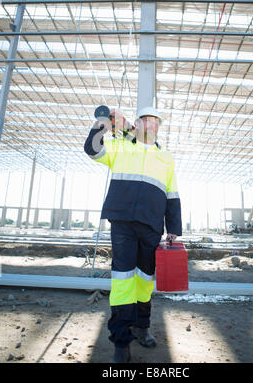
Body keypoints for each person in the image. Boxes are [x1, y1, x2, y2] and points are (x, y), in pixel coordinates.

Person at [84, 106, 182, 363]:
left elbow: (172, 196)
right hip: (123, 222)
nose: (151, 125)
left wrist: (173, 232)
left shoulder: (167, 157)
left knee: (144, 281)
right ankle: (121, 341)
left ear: (159, 127)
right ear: (136, 125)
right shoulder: (122, 146)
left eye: (155, 122)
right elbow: (92, 149)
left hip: (151, 226)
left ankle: (142, 326)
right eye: (145, 120)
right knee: (123, 280)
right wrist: (103, 123)